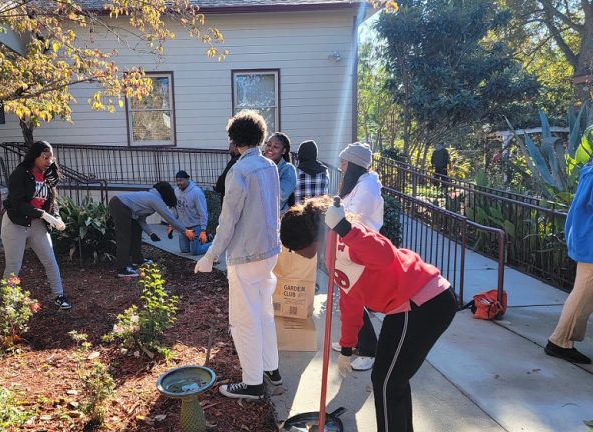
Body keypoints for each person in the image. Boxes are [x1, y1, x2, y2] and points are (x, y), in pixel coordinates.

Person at [280, 196, 457, 432]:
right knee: (392, 382)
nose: (294, 253)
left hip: (421, 302)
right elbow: (351, 300)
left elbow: (385, 255)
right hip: (407, 306)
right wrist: (347, 346)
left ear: (309, 240)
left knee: (387, 383)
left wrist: (344, 227)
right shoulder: (331, 253)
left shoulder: (346, 235)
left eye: (294, 248)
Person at [195, 110, 282, 399]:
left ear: (234, 140)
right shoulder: (270, 166)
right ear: (260, 136)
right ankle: (272, 369)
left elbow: (228, 219)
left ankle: (253, 383)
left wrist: (211, 256)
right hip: (269, 252)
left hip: (246, 255)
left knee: (245, 320)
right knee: (264, 312)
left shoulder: (240, 171)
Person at [330, 142, 384, 372]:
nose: (341, 167)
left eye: (344, 163)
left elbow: (354, 216)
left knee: (355, 300)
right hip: (349, 249)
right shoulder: (357, 184)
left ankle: (369, 350)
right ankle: (349, 344)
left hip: (361, 251)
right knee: (348, 300)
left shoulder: (368, 186)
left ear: (354, 165)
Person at [2, 141, 71, 310]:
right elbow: (18, 203)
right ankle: (8, 303)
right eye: (45, 157)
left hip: (37, 224)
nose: (49, 161)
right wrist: (44, 215)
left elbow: (50, 202)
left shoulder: (48, 176)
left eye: (51, 157)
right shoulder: (20, 173)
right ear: (35, 156)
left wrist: (55, 217)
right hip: (16, 223)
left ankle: (59, 296)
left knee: (50, 260)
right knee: (13, 265)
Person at [544, 160, 593, 364]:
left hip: (585, 239)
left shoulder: (589, 171)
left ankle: (560, 340)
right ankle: (559, 341)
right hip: (590, 242)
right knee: (583, 293)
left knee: (585, 292)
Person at [110, 182, 194, 277]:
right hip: (120, 205)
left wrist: (150, 233)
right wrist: (185, 231)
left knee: (136, 231)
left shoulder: (150, 197)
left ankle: (137, 260)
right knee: (124, 238)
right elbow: (169, 217)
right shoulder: (154, 199)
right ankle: (122, 269)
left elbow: (140, 219)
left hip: (123, 206)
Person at [173, 170, 211, 255]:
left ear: (187, 179)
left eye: (181, 180)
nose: (179, 183)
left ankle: (212, 243)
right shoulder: (176, 191)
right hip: (183, 227)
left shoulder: (196, 192)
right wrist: (171, 224)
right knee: (184, 250)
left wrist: (203, 231)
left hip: (195, 225)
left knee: (196, 252)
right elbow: (175, 209)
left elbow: (203, 212)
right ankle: (199, 242)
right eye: (177, 180)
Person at [263, 132, 297, 216]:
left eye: (276, 147)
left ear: (284, 151)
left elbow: (282, 194)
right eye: (268, 145)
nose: (270, 148)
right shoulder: (259, 165)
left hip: (279, 219)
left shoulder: (288, 169)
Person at [294, 140, 330, 205]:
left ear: (300, 155)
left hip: (299, 213)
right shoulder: (325, 171)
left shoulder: (296, 172)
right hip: (320, 213)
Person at [214, 139, 240, 205]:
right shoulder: (241, 160)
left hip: (230, 198)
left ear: (236, 147)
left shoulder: (235, 161)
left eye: (231, 145)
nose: (229, 148)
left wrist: (218, 187)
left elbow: (223, 179)